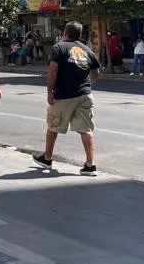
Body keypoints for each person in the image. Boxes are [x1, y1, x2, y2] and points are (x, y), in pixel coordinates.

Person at [33, 21, 101, 175]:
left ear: (65, 32)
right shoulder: (87, 50)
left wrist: (50, 91)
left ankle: (47, 158)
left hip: (64, 95)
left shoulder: (59, 47)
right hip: (85, 94)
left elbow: (52, 69)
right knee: (86, 129)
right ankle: (90, 165)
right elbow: (96, 74)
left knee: (53, 126)